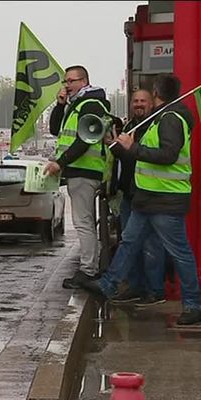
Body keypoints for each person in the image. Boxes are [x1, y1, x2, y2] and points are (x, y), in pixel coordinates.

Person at [81, 74, 201, 325]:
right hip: (149, 196)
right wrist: (123, 145)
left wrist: (132, 148)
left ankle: (193, 303)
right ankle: (108, 284)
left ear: (157, 94)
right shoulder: (164, 118)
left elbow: (167, 155)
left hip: (165, 198)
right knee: (130, 242)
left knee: (178, 252)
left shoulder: (170, 119)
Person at [44, 65, 111, 289]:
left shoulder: (90, 104)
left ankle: (88, 270)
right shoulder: (76, 105)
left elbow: (85, 140)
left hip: (85, 169)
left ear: (84, 81)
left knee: (83, 222)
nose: (67, 86)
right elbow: (55, 130)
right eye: (65, 82)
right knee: (86, 221)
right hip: (79, 170)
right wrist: (60, 104)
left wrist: (60, 163)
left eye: (71, 81)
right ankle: (90, 266)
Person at [107, 89, 167, 307]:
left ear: (151, 103)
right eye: (135, 101)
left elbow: (144, 156)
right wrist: (114, 146)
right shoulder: (131, 125)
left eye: (143, 101)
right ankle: (134, 286)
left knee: (151, 245)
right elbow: (127, 158)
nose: (139, 104)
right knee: (129, 243)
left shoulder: (154, 125)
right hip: (130, 193)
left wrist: (127, 147)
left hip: (149, 194)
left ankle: (155, 290)